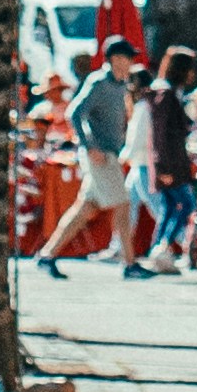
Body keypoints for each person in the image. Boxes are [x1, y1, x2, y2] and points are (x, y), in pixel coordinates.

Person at [65, 37, 140, 260]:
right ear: (115, 59)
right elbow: (75, 113)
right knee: (124, 205)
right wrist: (89, 146)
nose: (130, 63)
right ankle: (129, 263)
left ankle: (47, 255)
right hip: (101, 156)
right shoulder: (99, 83)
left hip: (109, 154)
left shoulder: (120, 86)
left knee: (84, 210)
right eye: (127, 58)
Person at [138, 41, 197, 267]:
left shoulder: (164, 92)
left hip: (164, 161)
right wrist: (164, 167)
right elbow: (162, 135)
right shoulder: (166, 95)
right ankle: (162, 246)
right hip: (170, 163)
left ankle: (156, 250)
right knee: (186, 205)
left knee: (167, 207)